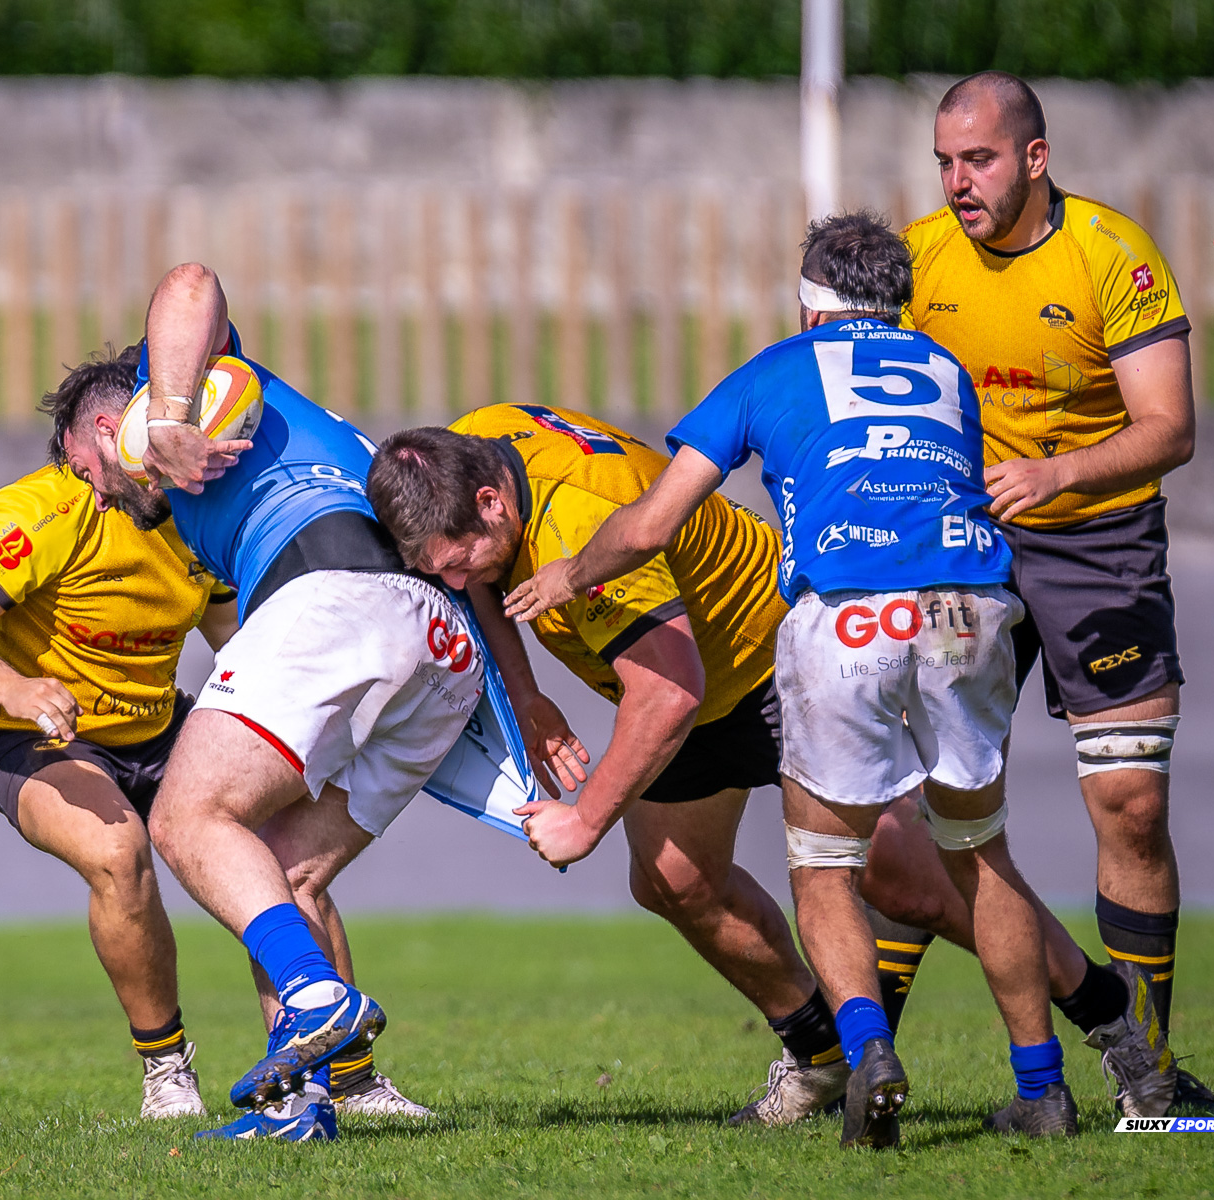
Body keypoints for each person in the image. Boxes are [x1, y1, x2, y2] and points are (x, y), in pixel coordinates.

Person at [506, 213, 1082, 1144]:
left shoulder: (777, 367)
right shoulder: (946, 372)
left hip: (849, 615)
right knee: (980, 854)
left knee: (823, 868)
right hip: (971, 609)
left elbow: (649, 526)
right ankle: (1042, 1088)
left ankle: (864, 1054)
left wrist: (572, 573)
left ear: (812, 307)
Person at [60, 263, 484, 1142]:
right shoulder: (207, 507)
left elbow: (189, 281)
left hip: (339, 594)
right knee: (279, 874)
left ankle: (316, 994)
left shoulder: (179, 397)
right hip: (441, 644)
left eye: (84, 467)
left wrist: (167, 419)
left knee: (184, 819)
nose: (94, 491)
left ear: (113, 425)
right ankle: (306, 1105)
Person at [367, 405, 857, 1127]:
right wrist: (525, 692)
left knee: (912, 880)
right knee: (674, 880)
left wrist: (586, 819)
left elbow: (666, 690)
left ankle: (1077, 1021)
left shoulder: (581, 525)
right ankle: (823, 1059)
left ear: (491, 505)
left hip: (787, 659)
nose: (456, 580)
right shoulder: (470, 451)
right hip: (705, 687)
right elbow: (482, 578)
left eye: (455, 560)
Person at [886, 69, 1214, 1117]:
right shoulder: (918, 258)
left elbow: (1171, 428)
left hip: (1097, 546)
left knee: (1130, 801)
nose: (956, 182)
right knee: (923, 804)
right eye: (944, 161)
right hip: (964, 553)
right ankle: (858, 1070)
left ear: (1034, 157)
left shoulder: (1110, 254)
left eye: (976, 159)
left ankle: (1152, 1076)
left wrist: (1057, 474)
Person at [0, 346, 232, 1122]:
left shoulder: (192, 512)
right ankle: (167, 1071)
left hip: (156, 725)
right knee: (118, 852)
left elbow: (237, 634)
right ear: (104, 437)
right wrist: (16, 690)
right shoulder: (42, 509)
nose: (96, 478)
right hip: (32, 739)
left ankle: (338, 1072)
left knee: (278, 841)